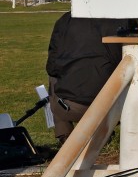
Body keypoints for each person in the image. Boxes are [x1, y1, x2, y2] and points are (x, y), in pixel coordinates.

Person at [45, 12, 124, 145]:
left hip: (71, 108)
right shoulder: (122, 19)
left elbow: (52, 67)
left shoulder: (65, 20)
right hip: (114, 107)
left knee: (54, 78)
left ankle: (64, 134)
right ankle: (103, 131)